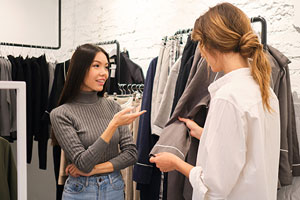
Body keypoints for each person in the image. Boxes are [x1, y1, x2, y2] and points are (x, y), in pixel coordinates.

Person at [150, 3, 280, 200]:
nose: (201, 54)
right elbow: (250, 152)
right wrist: (206, 135)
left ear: (209, 45)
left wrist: (176, 163)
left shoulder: (228, 97)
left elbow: (212, 189)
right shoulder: (265, 91)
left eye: (201, 45)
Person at [50, 43, 146, 200]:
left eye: (106, 67)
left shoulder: (113, 106)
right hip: (81, 191)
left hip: (114, 187)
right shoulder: (61, 114)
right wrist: (112, 125)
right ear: (80, 69)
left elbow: (131, 154)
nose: (104, 73)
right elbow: (83, 163)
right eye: (96, 66)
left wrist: (95, 170)